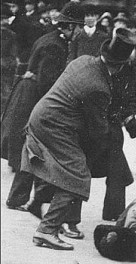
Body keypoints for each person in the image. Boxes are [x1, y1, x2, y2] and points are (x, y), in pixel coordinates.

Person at [20, 28, 136, 250]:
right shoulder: (99, 87)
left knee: (61, 168)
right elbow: (97, 131)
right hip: (55, 127)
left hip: (41, 117)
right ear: (120, 65)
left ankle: (38, 204)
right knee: (77, 175)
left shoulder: (84, 60)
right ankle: (47, 231)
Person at [1, 2, 84, 212]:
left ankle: (24, 198)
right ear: (69, 26)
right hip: (35, 99)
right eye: (79, 27)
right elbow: (47, 82)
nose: (81, 31)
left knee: (34, 149)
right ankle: (25, 199)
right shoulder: (55, 46)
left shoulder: (52, 39)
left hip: (31, 96)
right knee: (35, 148)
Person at [1, 4, 17, 115]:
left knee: (6, 96)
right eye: (2, 19)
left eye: (5, 19)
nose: (4, 22)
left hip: (5, 70)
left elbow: (13, 56)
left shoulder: (11, 35)